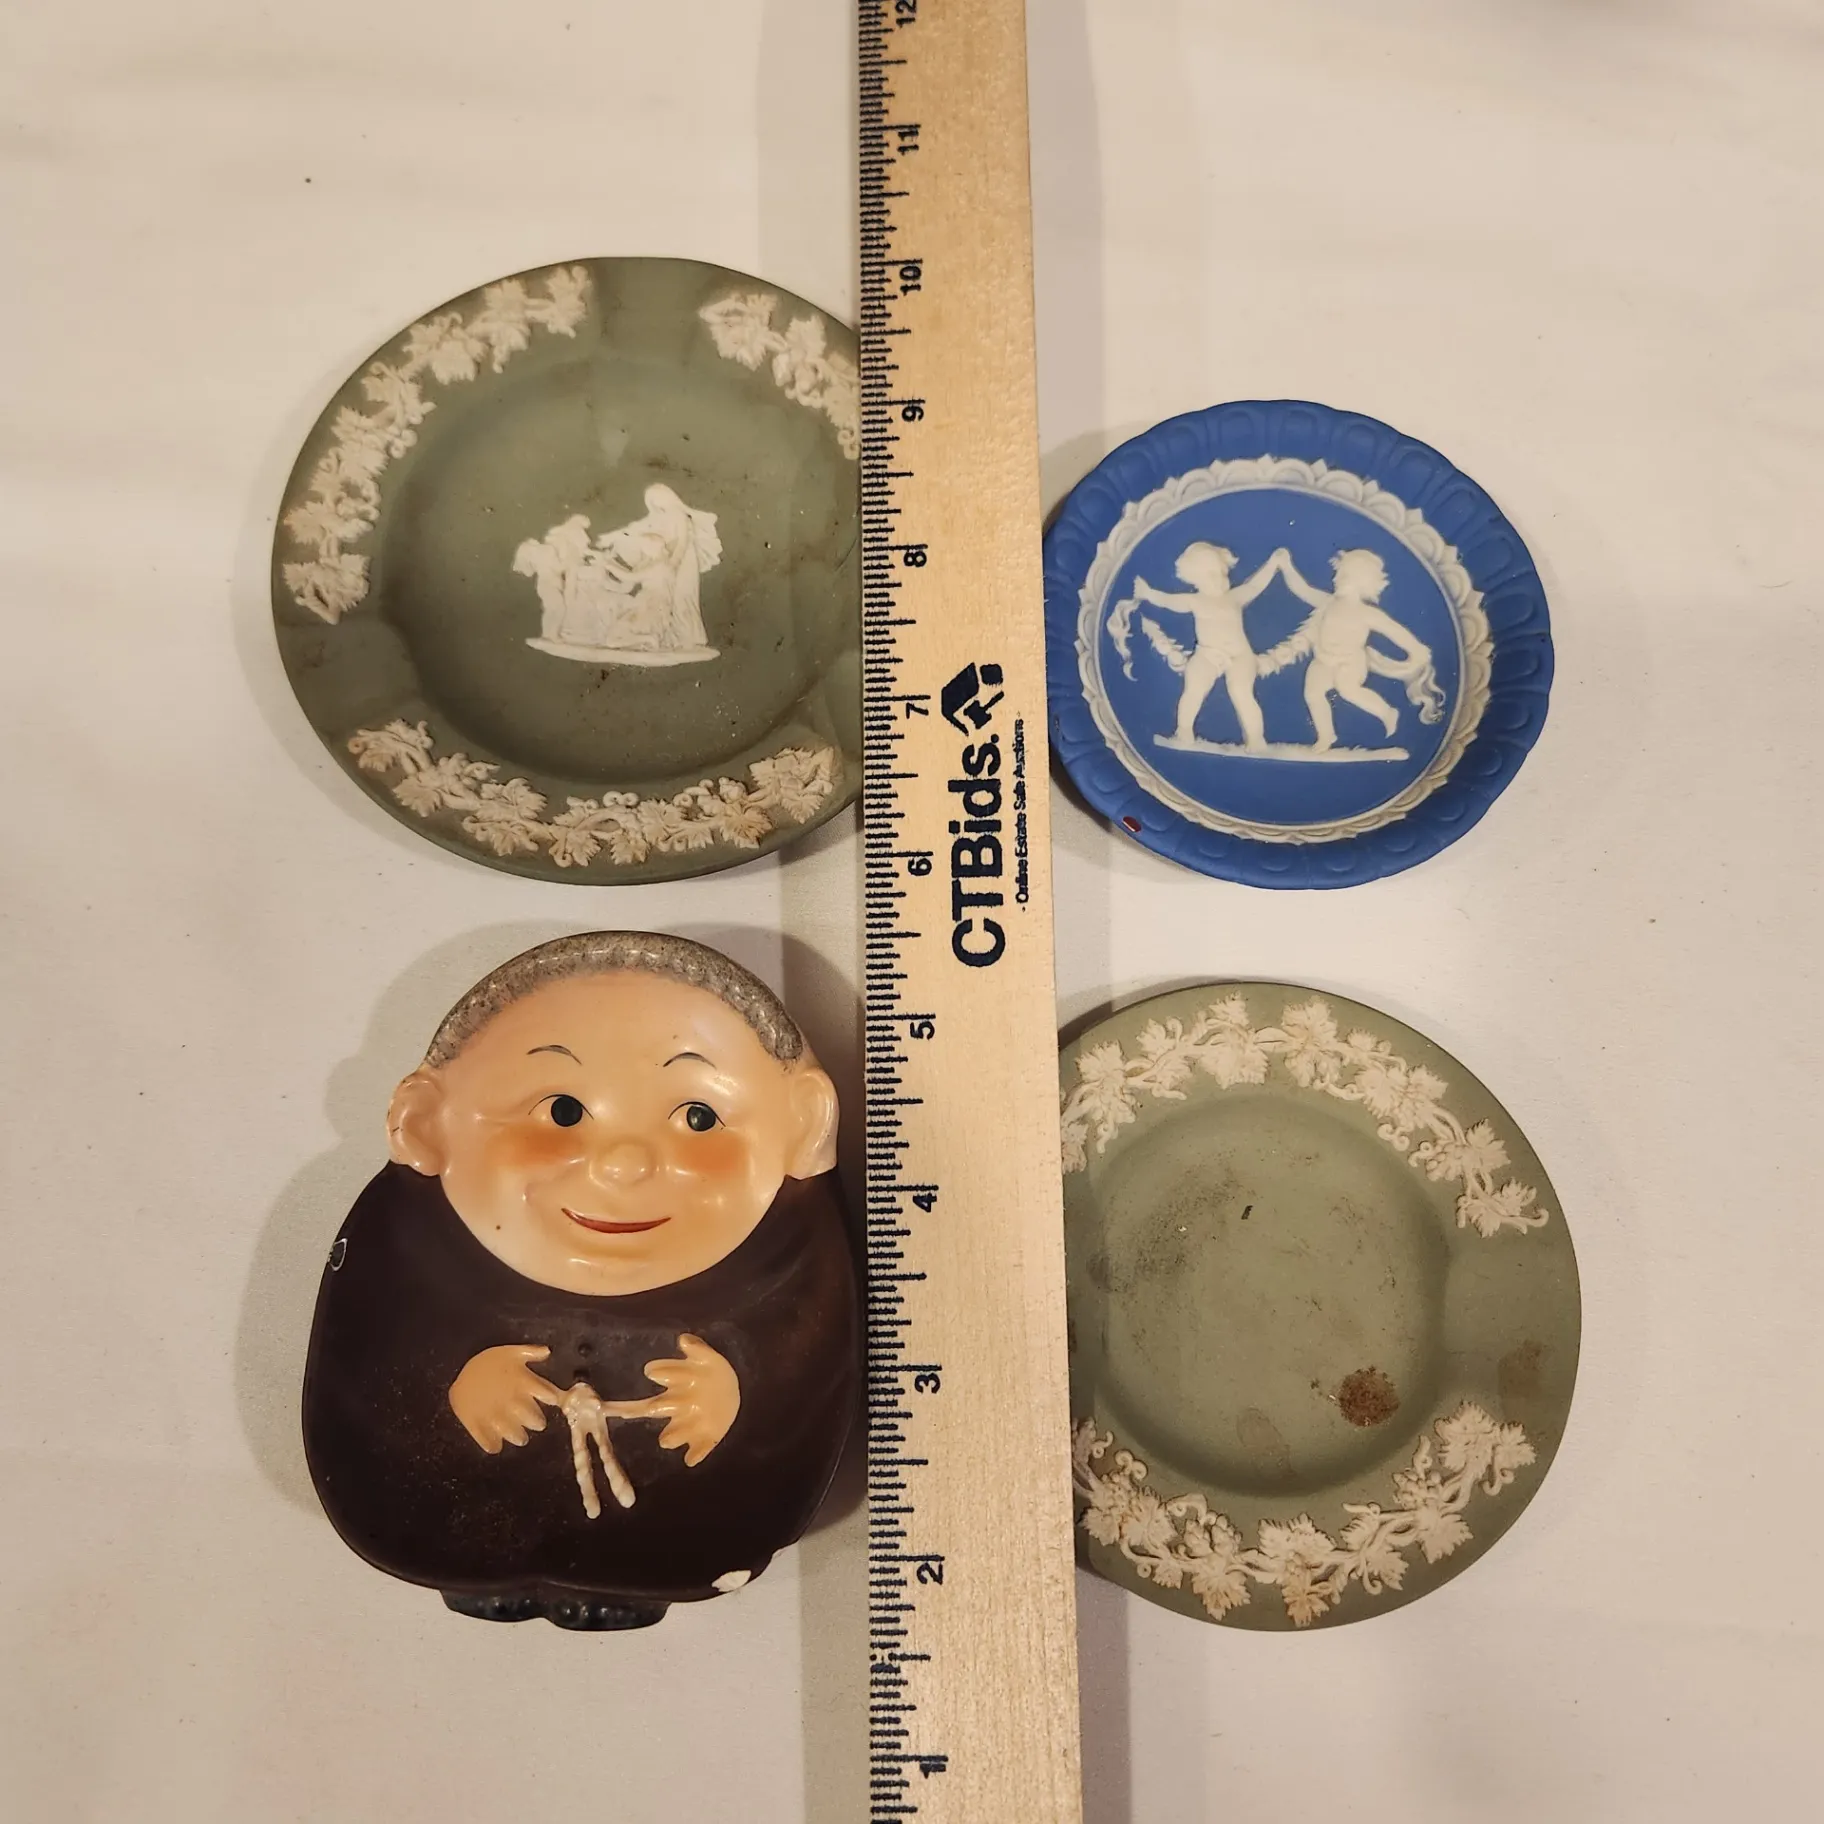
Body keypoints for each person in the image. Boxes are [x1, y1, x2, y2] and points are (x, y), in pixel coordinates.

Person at [302, 932, 858, 1629]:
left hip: (684, 1530)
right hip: (452, 1516)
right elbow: (367, 1360)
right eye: (562, 1111)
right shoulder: (404, 1239)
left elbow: (806, 1361)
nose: (623, 1163)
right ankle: (469, 1567)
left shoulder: (790, 1255)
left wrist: (729, 1394)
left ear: (805, 1127)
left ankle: (632, 1582)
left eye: (698, 1118)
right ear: (422, 1123)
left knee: (674, 1548)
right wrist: (455, 1383)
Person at [1258, 547, 1445, 751]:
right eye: (1338, 574)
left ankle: (1386, 712)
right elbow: (1302, 589)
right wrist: (1286, 567)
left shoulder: (1366, 613)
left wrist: (1416, 648)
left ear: (1362, 582)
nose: (1336, 579)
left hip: (1350, 661)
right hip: (1323, 660)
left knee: (1348, 689)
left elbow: (1395, 631)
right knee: (1312, 693)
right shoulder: (1327, 603)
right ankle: (1326, 736)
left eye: (1344, 576)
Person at [1111, 541, 1280, 749]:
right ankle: (1184, 732)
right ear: (1195, 578)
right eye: (1211, 575)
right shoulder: (1195, 601)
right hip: (1207, 654)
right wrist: (1148, 593)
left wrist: (1273, 564)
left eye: (1222, 573)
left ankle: (1256, 739)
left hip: (1239, 655)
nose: (1219, 580)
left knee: (1241, 692)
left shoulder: (1234, 598)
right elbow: (1169, 601)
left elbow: (1255, 586)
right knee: (1194, 688)